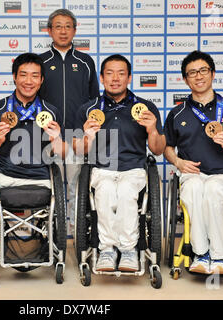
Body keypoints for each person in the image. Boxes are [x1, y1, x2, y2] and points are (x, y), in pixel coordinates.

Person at [73, 55, 166, 271]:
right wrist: (87, 135)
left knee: (125, 192)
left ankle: (128, 250)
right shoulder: (88, 109)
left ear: (129, 77)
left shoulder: (145, 107)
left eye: (121, 73)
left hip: (133, 169)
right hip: (101, 169)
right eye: (110, 73)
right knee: (105, 192)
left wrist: (152, 129)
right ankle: (106, 250)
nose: (115, 78)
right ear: (102, 78)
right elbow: (78, 150)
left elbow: (159, 149)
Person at [164, 50, 223, 275]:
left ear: (212, 74)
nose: (198, 76)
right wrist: (178, 162)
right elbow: (167, 147)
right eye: (192, 72)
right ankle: (200, 254)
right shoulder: (177, 112)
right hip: (192, 174)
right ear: (185, 79)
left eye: (203, 70)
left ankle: (220, 257)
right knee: (193, 190)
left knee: (212, 191)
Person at [39, 8, 100, 234]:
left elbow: (95, 101)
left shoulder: (85, 62)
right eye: (58, 26)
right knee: (52, 187)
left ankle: (76, 233)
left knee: (76, 186)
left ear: (75, 30)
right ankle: (53, 231)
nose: (63, 31)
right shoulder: (40, 61)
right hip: (49, 136)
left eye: (68, 26)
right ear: (49, 31)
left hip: (77, 137)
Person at [0, 52, 67, 190]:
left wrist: (56, 139)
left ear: (41, 80)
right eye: (23, 75)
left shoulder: (51, 112)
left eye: (35, 76)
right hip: (5, 177)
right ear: (14, 77)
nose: (29, 81)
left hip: (42, 178)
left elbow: (64, 154)